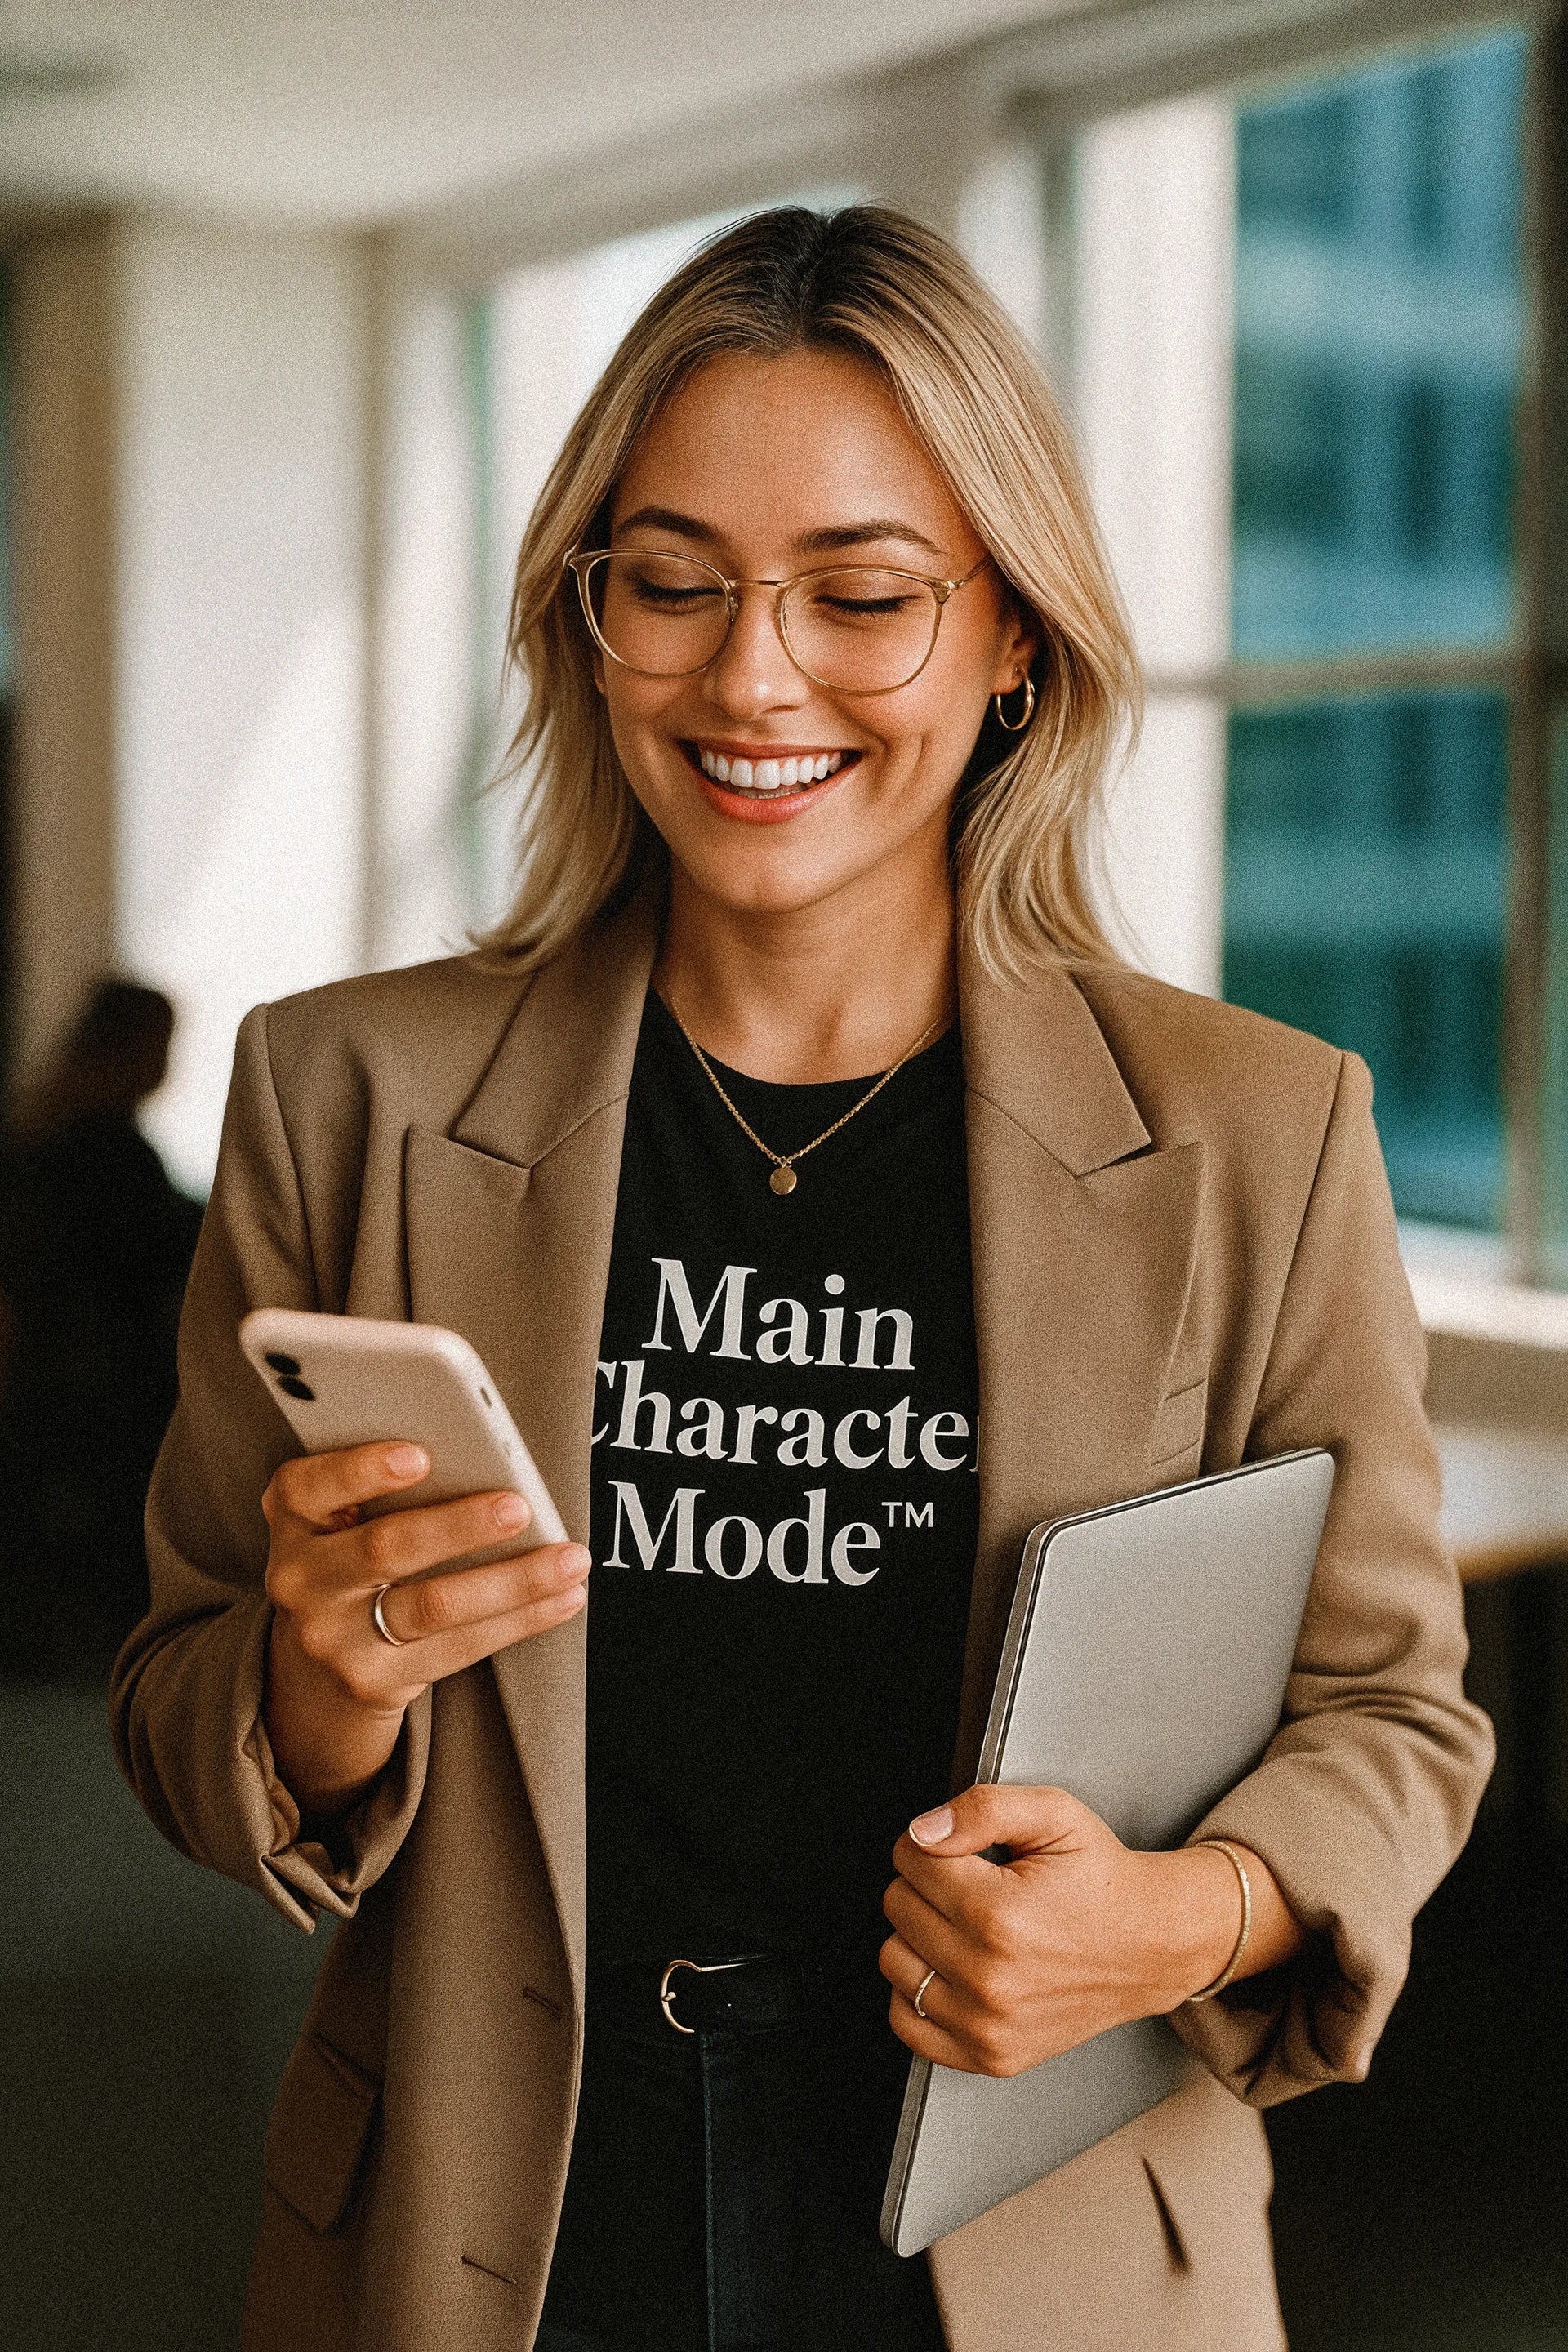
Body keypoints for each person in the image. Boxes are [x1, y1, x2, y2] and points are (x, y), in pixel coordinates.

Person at [110, 206, 1491, 2352]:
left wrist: (1185, 1916)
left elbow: (1394, 1716)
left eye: (861, 595)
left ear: (1014, 636)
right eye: (673, 583)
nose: (754, 679)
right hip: (500, 2228)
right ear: (588, 623)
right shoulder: (347, 1095)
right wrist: (320, 1689)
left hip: (1032, 2241)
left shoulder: (1259, 1132)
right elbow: (179, 1706)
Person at [0, 978, 202, 1677]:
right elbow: (172, 1251)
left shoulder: (37, 1135)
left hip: (45, 1388)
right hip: (97, 1396)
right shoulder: (111, 1154)